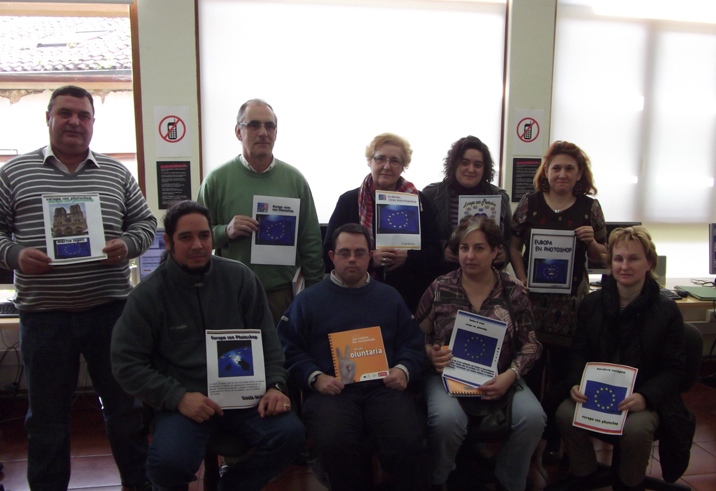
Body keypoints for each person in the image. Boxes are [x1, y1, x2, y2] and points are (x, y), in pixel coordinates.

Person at [0, 85, 155, 491]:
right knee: (46, 419)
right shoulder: (14, 173)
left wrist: (127, 245)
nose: (74, 122)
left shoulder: (116, 173)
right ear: (48, 118)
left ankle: (138, 484)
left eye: (83, 115)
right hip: (44, 319)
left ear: (92, 122)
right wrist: (15, 254)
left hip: (110, 314)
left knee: (126, 409)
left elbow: (146, 224)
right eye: (65, 113)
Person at [111, 200, 305, 491]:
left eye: (204, 235)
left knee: (291, 435)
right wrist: (177, 397)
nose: (197, 245)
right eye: (185, 237)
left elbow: (269, 340)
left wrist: (276, 385)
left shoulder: (240, 278)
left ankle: (232, 486)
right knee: (166, 466)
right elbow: (125, 363)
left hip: (246, 399)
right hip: (186, 403)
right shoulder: (148, 295)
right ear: (168, 242)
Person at [278, 223, 427, 491]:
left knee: (406, 440)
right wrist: (314, 377)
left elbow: (412, 342)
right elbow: (287, 347)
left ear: (370, 256)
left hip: (383, 388)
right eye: (344, 253)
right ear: (332, 256)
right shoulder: (308, 301)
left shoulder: (389, 297)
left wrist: (403, 369)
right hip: (332, 391)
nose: (352, 259)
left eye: (359, 253)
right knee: (335, 443)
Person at [551, 226, 691, 491]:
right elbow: (579, 352)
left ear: (649, 263)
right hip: (597, 392)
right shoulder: (592, 304)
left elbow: (674, 369)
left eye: (634, 258)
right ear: (610, 263)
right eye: (618, 259)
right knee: (565, 413)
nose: (624, 266)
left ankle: (629, 483)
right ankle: (585, 473)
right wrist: (575, 382)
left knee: (636, 430)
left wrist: (645, 397)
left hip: (643, 396)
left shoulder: (666, 310)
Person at [416, 216, 545, 491]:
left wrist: (510, 376)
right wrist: (429, 352)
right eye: (464, 248)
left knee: (533, 418)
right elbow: (416, 335)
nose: (469, 256)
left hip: (501, 375)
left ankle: (509, 481)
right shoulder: (440, 287)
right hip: (446, 376)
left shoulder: (513, 291)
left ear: (496, 251)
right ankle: (439, 479)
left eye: (479, 248)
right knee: (446, 420)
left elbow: (531, 344)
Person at [509, 140, 607, 462]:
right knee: (530, 369)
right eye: (556, 168)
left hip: (571, 308)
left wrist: (592, 243)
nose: (562, 174)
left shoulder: (590, 208)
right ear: (546, 172)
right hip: (532, 303)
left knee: (564, 374)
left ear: (579, 174)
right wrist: (521, 276)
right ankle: (526, 432)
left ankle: (554, 436)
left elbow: (603, 256)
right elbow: (513, 244)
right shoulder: (530, 202)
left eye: (569, 168)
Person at [197, 99, 324, 324]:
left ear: (276, 133)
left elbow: (310, 241)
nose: (263, 132)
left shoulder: (295, 180)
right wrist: (225, 231)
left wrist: (315, 293)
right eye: (254, 125)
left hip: (282, 295)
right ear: (238, 132)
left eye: (270, 126)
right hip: (233, 293)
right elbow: (198, 238)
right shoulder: (216, 180)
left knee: (282, 347)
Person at [323, 132, 441, 313]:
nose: (387, 166)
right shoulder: (349, 201)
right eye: (380, 159)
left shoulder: (419, 202)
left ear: (403, 166)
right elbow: (328, 253)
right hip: (357, 297)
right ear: (369, 161)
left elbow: (435, 253)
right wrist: (369, 259)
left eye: (395, 161)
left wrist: (408, 257)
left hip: (407, 298)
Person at [423, 135, 512, 274]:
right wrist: (443, 250)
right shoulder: (431, 195)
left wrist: (504, 254)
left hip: (485, 277)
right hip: (442, 275)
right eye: (464, 163)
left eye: (478, 165)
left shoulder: (500, 197)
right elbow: (422, 240)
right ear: (454, 164)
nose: (471, 169)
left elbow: (509, 240)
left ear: (485, 168)